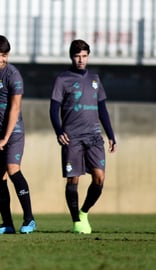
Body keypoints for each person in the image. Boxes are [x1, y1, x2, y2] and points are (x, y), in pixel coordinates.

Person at [49, 39, 117, 234]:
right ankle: (76, 221)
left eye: (84, 56)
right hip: (72, 138)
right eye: (77, 56)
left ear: (88, 56)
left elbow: (102, 109)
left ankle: (84, 212)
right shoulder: (62, 79)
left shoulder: (95, 79)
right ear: (71, 56)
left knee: (99, 178)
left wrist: (111, 135)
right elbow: (53, 109)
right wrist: (59, 131)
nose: (81, 60)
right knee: (73, 180)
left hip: (94, 136)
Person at [0, 35, 36, 234]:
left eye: (3, 55)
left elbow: (15, 108)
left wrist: (5, 137)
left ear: (8, 55)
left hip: (14, 132)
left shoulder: (13, 76)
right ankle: (7, 224)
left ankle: (29, 219)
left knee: (13, 169)